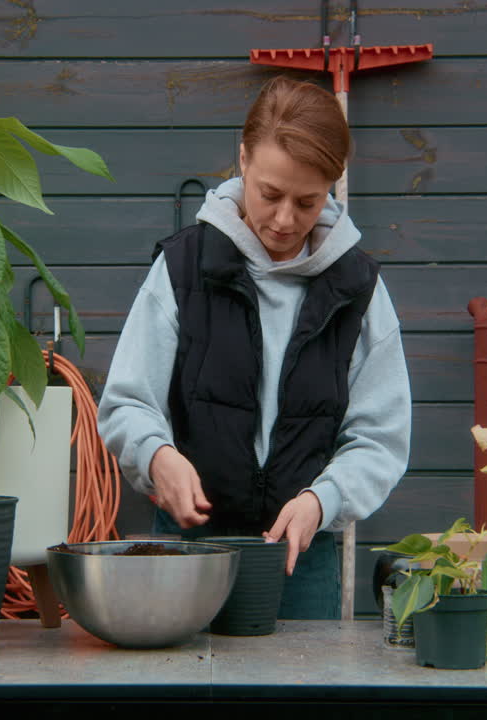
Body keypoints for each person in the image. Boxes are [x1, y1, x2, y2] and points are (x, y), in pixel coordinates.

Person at [96, 75, 411, 619]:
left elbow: (381, 437)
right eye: (270, 194)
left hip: (300, 561)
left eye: (308, 202)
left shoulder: (358, 288)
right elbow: (127, 404)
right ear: (242, 160)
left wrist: (322, 500)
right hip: (185, 555)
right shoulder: (181, 268)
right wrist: (157, 456)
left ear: (333, 186)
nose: (285, 219)